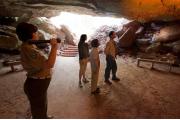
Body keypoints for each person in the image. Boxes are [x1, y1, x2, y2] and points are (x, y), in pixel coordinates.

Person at [16, 22, 58, 119]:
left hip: (38, 83)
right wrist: (54, 47)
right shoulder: (29, 49)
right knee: (38, 110)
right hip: (36, 84)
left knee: (41, 105)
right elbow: (50, 64)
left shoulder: (29, 46)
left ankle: (44, 116)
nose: (38, 34)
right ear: (31, 34)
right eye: (36, 32)